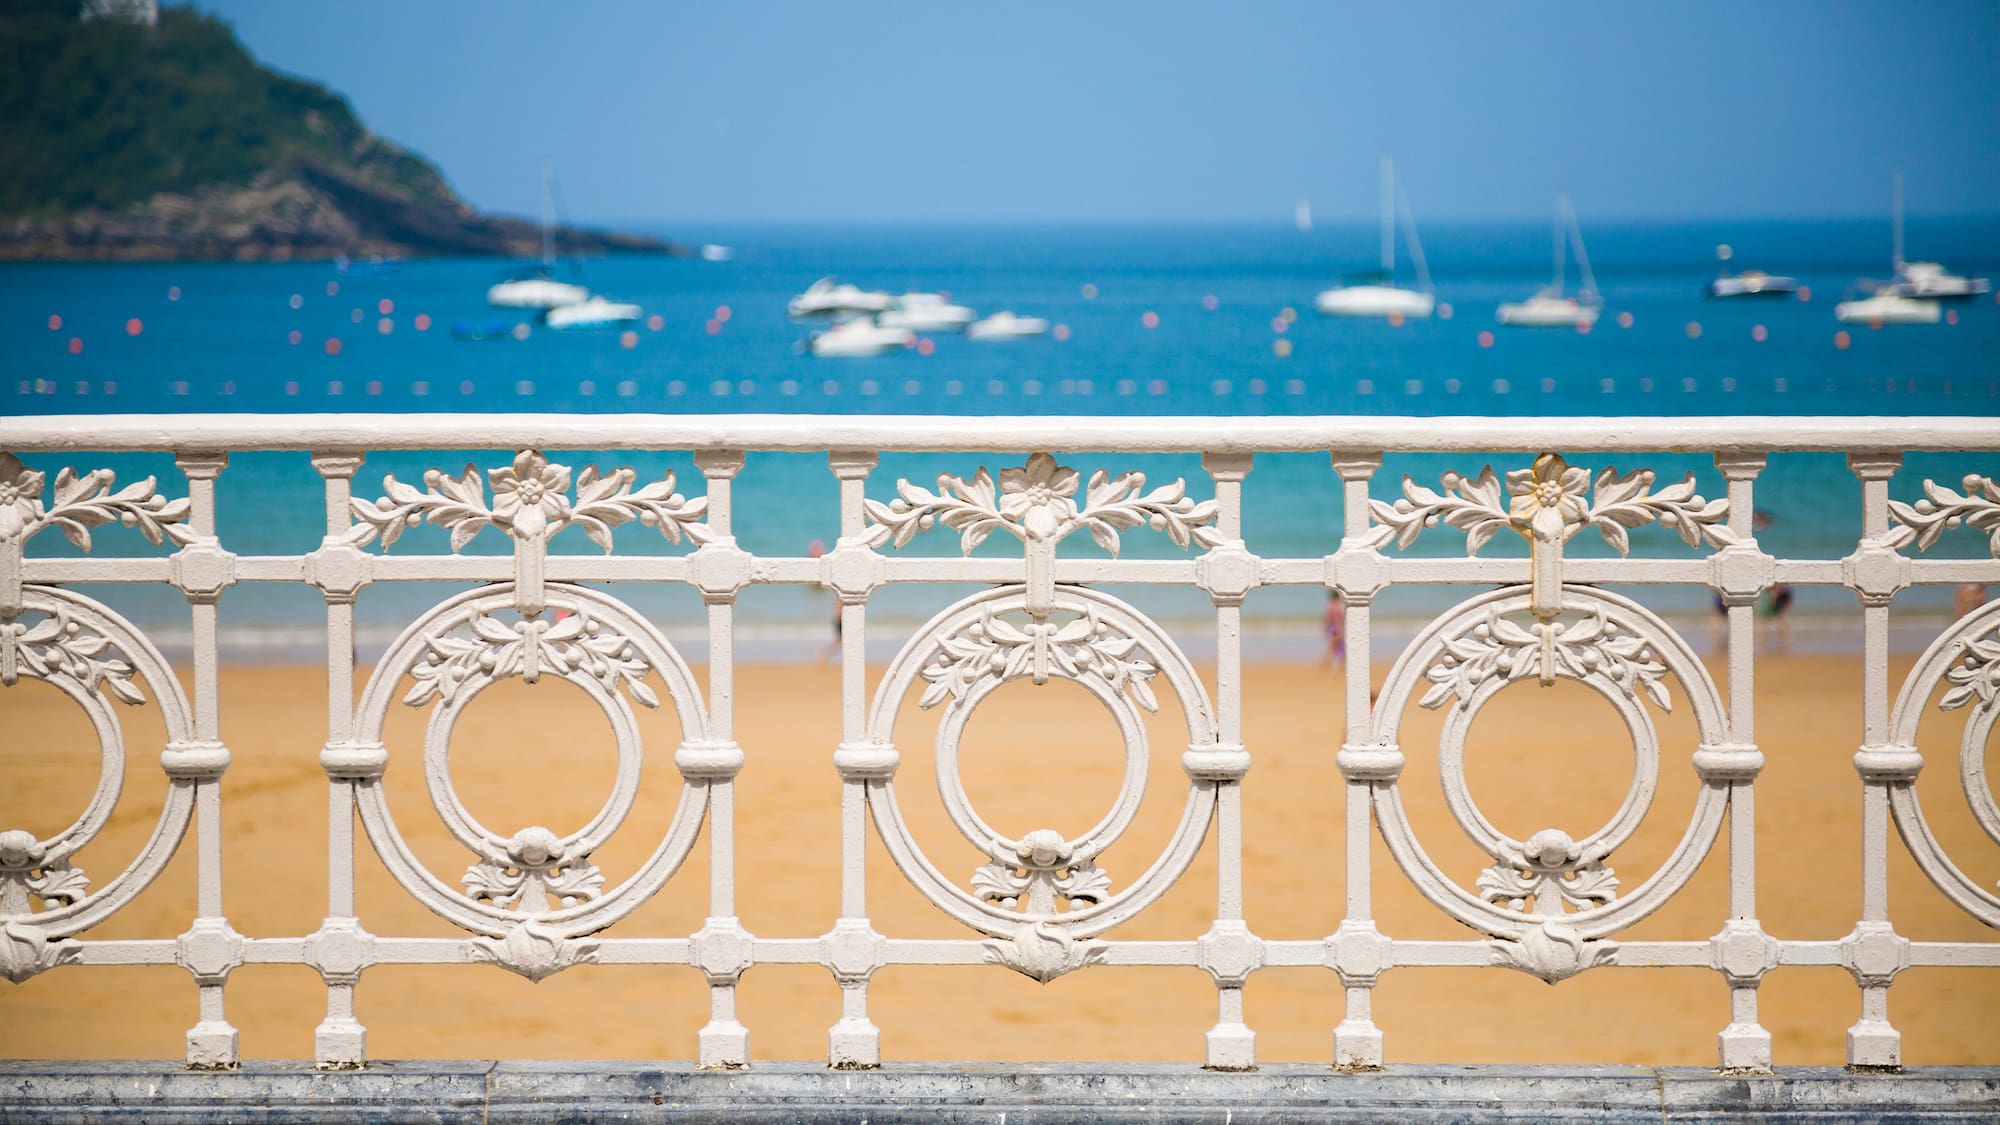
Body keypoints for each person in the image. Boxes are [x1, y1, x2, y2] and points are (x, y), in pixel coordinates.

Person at [808, 539, 841, 664]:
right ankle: (822, 655)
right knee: (841, 641)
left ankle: (823, 655)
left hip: (838, 613)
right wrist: (838, 612)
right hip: (839, 614)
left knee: (842, 641)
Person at [1759, 582, 1794, 652]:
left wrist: (1773, 599)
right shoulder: (1775, 586)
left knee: (1765, 622)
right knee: (1779, 621)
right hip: (1775, 602)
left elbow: (1776, 591)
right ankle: (1786, 639)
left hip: (1773, 603)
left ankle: (1762, 641)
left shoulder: (1773, 587)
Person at [1319, 591, 1346, 671]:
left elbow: (1326, 619)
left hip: (1332, 629)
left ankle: (1326, 666)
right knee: (1336, 649)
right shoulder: (1337, 607)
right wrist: (1341, 630)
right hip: (1337, 629)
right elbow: (1338, 620)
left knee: (1334, 649)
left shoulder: (1330, 607)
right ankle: (1325, 666)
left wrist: (1326, 630)